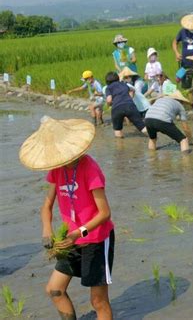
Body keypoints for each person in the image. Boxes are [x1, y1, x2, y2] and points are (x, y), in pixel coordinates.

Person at [19, 116, 114, 320]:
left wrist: (78, 233)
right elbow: (46, 206)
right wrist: (47, 229)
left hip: (95, 240)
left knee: (98, 301)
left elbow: (105, 213)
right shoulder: (57, 169)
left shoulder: (91, 169)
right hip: (69, 241)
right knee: (55, 290)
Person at [105, 71, 147, 138]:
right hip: (129, 105)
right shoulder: (124, 84)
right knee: (142, 127)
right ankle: (154, 136)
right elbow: (133, 90)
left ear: (107, 81)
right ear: (117, 78)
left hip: (116, 108)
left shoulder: (109, 88)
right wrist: (130, 98)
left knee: (118, 131)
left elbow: (109, 100)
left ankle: (120, 146)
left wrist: (109, 105)